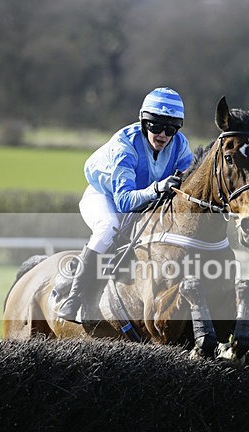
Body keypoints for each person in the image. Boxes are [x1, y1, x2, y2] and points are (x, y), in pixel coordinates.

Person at [56, 87, 194, 322]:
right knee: (109, 226)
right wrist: (157, 188)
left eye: (170, 129)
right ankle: (73, 296)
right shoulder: (125, 145)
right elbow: (124, 201)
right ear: (144, 122)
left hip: (145, 199)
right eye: (156, 126)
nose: (162, 134)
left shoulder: (180, 145)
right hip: (106, 197)